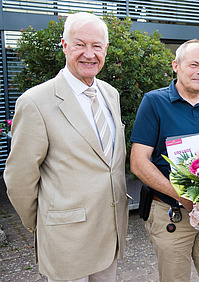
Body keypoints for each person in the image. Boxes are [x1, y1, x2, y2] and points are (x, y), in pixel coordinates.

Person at [4, 12, 128, 281]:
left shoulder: (110, 94)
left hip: (109, 235)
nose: (89, 53)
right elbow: (19, 178)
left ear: (105, 49)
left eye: (96, 46)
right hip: (65, 242)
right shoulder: (35, 102)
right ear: (64, 46)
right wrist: (45, 224)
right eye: (79, 44)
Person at [130, 39, 199, 282]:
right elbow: (138, 162)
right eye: (193, 64)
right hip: (171, 212)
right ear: (176, 65)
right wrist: (182, 196)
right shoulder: (154, 102)